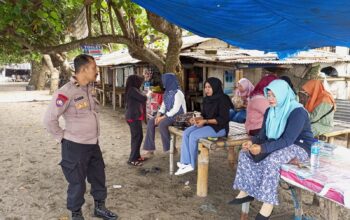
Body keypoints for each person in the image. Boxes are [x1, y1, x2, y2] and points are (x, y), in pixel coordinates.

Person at [43, 54, 117, 220]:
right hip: (74, 146)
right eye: (94, 68)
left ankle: (100, 207)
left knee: (98, 177)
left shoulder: (89, 89)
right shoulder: (65, 92)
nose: (96, 71)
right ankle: (76, 214)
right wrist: (62, 137)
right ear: (83, 69)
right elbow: (49, 120)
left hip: (93, 144)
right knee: (77, 183)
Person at [229, 80, 314, 220]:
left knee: (272, 159)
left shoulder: (298, 112)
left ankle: (267, 206)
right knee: (244, 153)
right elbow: (263, 135)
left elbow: (288, 140)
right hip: (278, 142)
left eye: (274, 95)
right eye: (268, 95)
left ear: (282, 94)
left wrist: (262, 148)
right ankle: (246, 191)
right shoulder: (270, 110)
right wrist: (251, 142)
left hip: (299, 146)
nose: (270, 99)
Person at [175, 77, 232, 175]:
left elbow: (223, 119)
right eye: (205, 87)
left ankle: (191, 165)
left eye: (209, 87)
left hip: (220, 128)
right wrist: (196, 119)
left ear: (215, 87)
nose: (207, 89)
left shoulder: (223, 99)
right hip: (207, 124)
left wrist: (204, 121)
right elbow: (204, 115)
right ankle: (185, 162)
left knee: (194, 135)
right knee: (187, 132)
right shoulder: (206, 99)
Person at [142, 73, 187, 157]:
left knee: (162, 124)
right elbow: (163, 106)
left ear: (170, 81)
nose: (163, 83)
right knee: (151, 121)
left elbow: (175, 109)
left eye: (165, 81)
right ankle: (150, 148)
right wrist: (158, 115)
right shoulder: (167, 92)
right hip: (169, 115)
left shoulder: (178, 93)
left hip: (179, 116)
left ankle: (171, 148)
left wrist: (162, 117)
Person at [125, 74, 148, 166]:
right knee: (136, 137)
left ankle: (137, 156)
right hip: (133, 117)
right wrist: (147, 94)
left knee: (138, 137)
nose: (140, 83)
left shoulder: (133, 89)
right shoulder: (132, 90)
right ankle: (132, 159)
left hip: (134, 116)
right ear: (135, 82)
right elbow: (143, 98)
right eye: (139, 81)